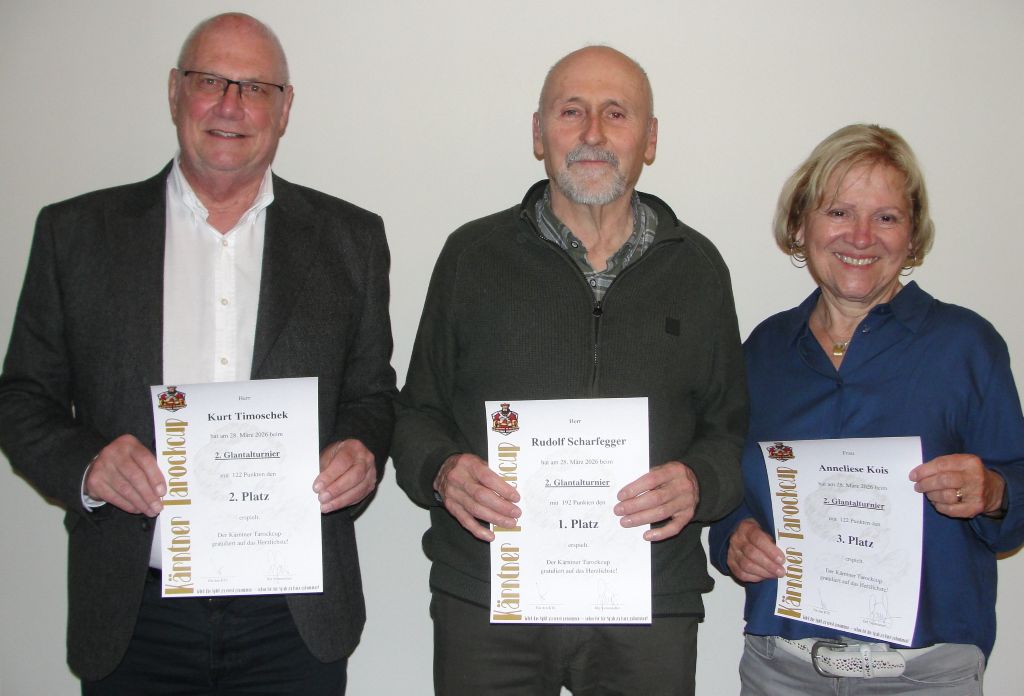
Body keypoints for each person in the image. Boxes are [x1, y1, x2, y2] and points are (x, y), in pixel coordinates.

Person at [0, 12, 396, 694]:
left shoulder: (350, 240)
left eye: (255, 88)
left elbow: (372, 395)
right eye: (210, 81)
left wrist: (361, 449)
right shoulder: (77, 234)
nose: (230, 106)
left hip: (293, 620)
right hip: (134, 614)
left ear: (284, 109)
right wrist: (89, 465)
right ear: (174, 91)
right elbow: (21, 399)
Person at [391, 45, 747, 695]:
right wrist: (441, 471)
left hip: (647, 601)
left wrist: (699, 482)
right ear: (538, 133)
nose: (593, 134)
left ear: (650, 139)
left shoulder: (698, 269)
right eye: (571, 111)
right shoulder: (472, 256)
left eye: (616, 113)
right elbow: (417, 414)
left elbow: (729, 431)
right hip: (491, 599)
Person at [708, 124, 1024, 694]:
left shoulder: (966, 346)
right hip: (782, 669)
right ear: (801, 225)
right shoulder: (762, 352)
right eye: (839, 212)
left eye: (886, 217)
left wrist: (994, 492)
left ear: (912, 235)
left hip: (925, 677)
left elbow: (1015, 507)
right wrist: (734, 537)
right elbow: (730, 486)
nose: (860, 236)